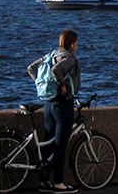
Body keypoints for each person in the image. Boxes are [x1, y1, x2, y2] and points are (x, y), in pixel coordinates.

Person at [27, 30, 81, 193]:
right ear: (71, 44)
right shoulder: (69, 58)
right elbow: (56, 71)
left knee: (48, 144)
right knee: (60, 145)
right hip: (62, 104)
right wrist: (62, 86)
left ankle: (44, 182)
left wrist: (40, 84)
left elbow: (31, 68)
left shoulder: (51, 54)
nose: (77, 46)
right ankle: (58, 183)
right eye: (76, 43)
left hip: (48, 103)